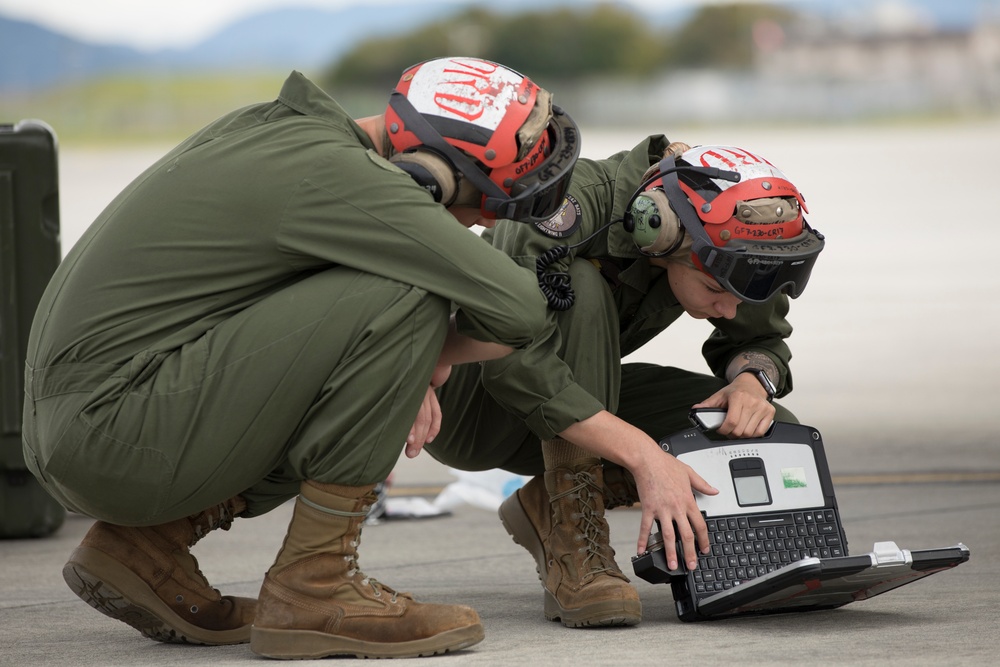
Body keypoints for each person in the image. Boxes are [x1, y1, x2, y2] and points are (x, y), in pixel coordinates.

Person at [21, 57, 581, 659]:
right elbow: (520, 307)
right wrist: (424, 351)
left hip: (94, 421)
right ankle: (315, 586)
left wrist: (411, 359)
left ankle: (145, 547)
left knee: (398, 291)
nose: (477, 225)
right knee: (407, 289)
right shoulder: (340, 177)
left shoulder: (285, 136)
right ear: (432, 175)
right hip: (117, 431)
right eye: (483, 206)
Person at [419, 137, 824, 627]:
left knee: (767, 427)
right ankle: (576, 544)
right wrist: (644, 455)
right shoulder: (564, 207)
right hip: (470, 402)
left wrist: (750, 383)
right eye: (717, 291)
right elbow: (514, 362)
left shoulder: (728, 230)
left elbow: (759, 338)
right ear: (659, 232)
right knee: (580, 288)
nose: (728, 310)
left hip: (568, 391)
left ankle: (546, 504)